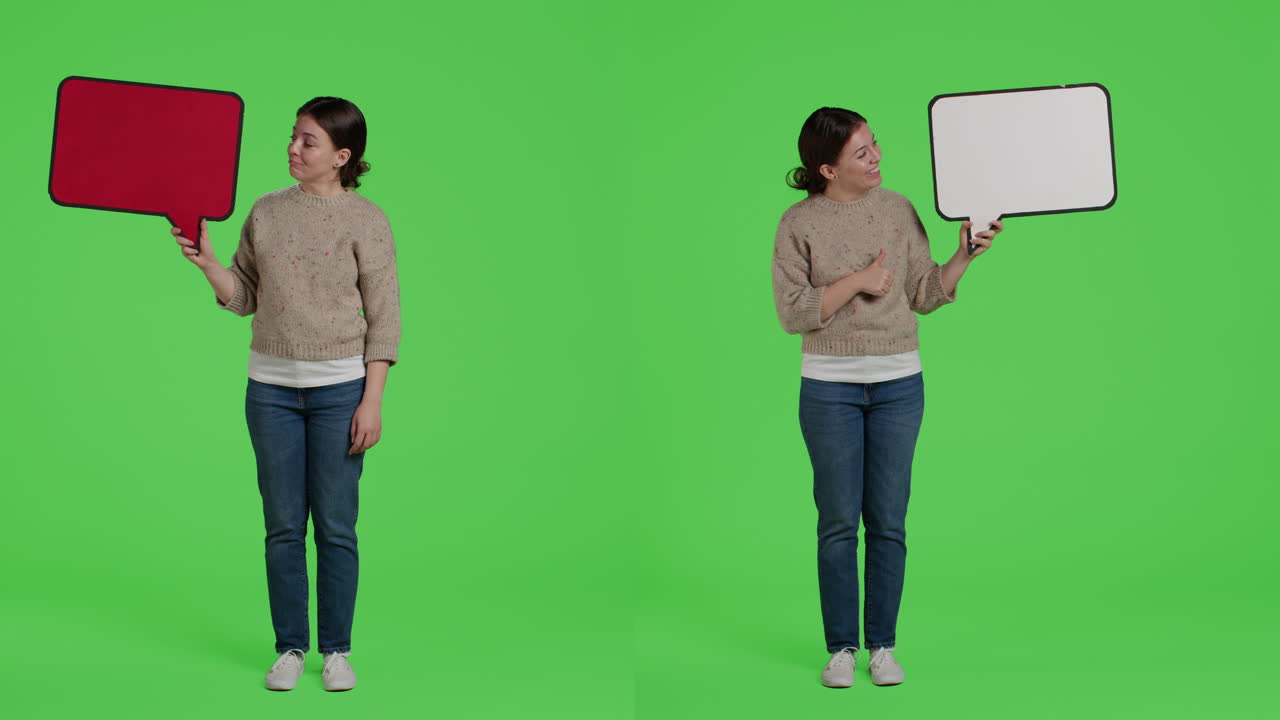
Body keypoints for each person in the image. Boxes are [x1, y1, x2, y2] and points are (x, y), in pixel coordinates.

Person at [174, 96, 401, 692]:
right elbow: (246, 296)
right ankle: (290, 648)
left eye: (308, 141)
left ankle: (336, 650)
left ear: (341, 156)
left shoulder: (367, 220)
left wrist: (371, 401)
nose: (292, 149)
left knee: (334, 525)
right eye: (293, 137)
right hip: (270, 391)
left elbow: (385, 319)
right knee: (281, 526)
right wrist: (207, 262)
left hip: (339, 392)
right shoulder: (266, 211)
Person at [772, 107, 1001, 689]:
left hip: (900, 383)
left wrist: (966, 255)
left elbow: (925, 293)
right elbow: (792, 311)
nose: (877, 158)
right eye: (861, 153)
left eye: (876, 146)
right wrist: (854, 282)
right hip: (829, 389)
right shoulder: (798, 223)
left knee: (889, 521)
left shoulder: (898, 209)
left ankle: (882, 645)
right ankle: (841, 648)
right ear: (828, 168)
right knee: (838, 522)